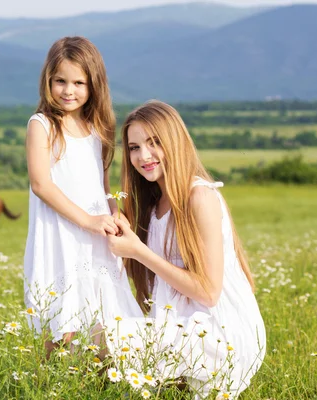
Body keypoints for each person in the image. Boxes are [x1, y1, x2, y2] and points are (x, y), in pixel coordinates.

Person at [105, 101, 266, 397]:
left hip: (220, 333)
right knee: (94, 339)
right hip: (181, 326)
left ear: (175, 142)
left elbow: (208, 292)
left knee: (104, 342)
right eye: (134, 147)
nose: (143, 156)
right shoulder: (152, 206)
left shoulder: (199, 197)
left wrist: (138, 250)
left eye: (154, 143)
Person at [23, 36, 142, 356]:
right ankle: (54, 381)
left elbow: (102, 181)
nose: (68, 90)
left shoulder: (98, 126)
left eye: (79, 82)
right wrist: (88, 220)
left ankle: (105, 377)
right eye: (59, 81)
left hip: (97, 229)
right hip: (62, 230)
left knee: (104, 313)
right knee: (61, 315)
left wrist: (114, 212)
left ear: (94, 85)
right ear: (48, 80)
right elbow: (41, 184)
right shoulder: (42, 125)